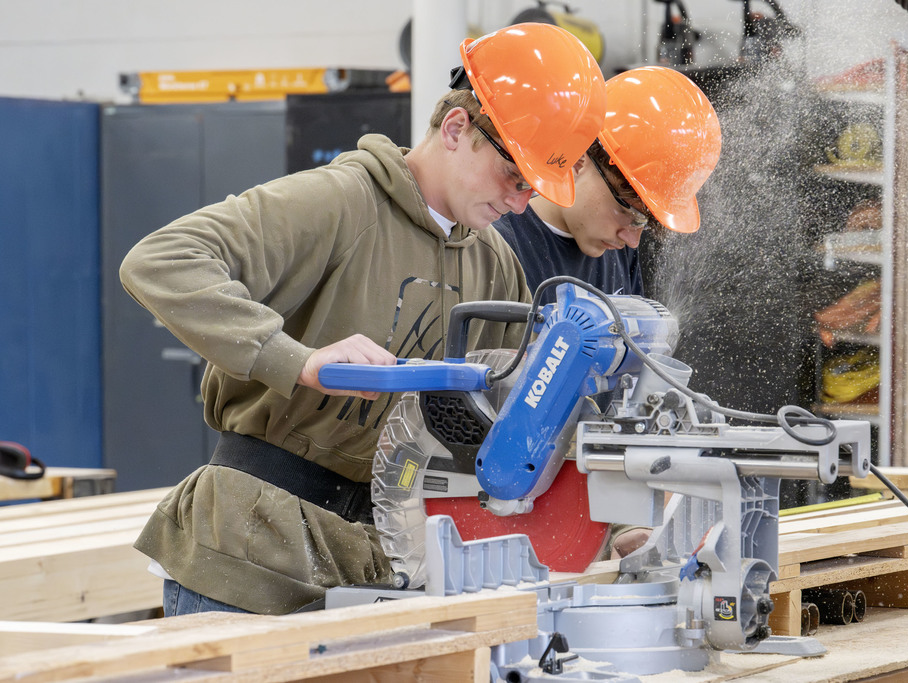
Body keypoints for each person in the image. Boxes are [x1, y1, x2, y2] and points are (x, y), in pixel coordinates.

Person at [119, 22, 606, 616]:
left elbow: (514, 424)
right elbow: (161, 261)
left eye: (533, 188)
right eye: (514, 176)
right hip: (246, 553)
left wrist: (606, 522)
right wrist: (295, 361)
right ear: (457, 129)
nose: (519, 201)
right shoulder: (340, 202)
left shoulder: (495, 263)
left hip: (379, 558)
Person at [492, 65, 722, 557]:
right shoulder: (497, 244)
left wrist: (628, 525)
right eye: (629, 212)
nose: (632, 236)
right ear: (580, 161)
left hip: (582, 527)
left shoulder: (615, 249)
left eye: (647, 223)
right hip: (503, 520)